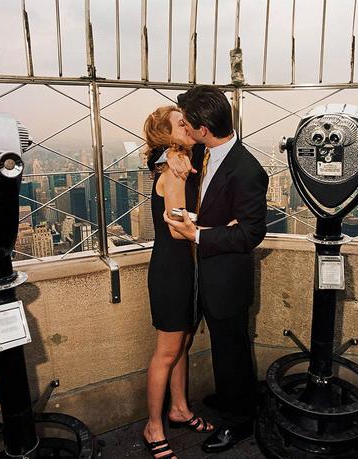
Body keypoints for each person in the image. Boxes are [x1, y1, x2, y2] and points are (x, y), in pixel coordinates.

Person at [162, 85, 269, 453]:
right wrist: (169, 152)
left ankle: (239, 423)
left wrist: (199, 235)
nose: (185, 133)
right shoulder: (204, 153)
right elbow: (156, 153)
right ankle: (232, 397)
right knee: (225, 350)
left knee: (231, 351)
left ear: (203, 129)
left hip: (226, 279)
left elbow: (252, 232)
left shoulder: (247, 169)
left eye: (188, 126)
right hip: (203, 275)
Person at [142, 106, 215, 459]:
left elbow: (206, 141)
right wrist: (218, 233)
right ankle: (153, 426)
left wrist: (173, 152)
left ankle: (180, 409)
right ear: (165, 135)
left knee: (182, 344)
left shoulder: (180, 160)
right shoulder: (172, 173)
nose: (187, 125)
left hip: (186, 269)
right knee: (167, 352)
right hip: (172, 272)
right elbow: (177, 226)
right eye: (180, 123)